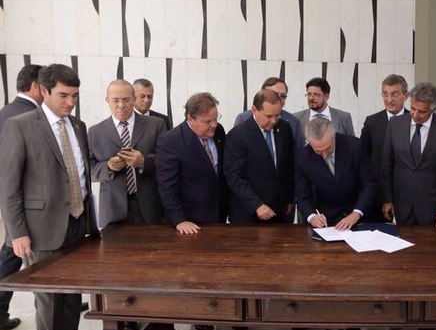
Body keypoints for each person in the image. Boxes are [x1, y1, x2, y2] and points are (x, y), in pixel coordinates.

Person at [0, 63, 99, 330]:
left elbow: (80, 173)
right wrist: (17, 233)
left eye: (75, 95)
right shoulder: (20, 125)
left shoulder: (78, 125)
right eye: (63, 95)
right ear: (43, 91)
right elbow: (9, 185)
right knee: (50, 299)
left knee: (71, 295)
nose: (70, 102)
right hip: (41, 228)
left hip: (78, 222)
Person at [381, 82, 436, 226]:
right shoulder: (395, 125)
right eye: (413, 108)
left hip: (433, 207)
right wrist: (387, 199)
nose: (415, 114)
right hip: (402, 205)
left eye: (422, 111)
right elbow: (387, 164)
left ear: (434, 109)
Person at [0, 64, 43, 330]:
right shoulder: (27, 117)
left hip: (14, 200)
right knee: (16, 254)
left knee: (12, 254)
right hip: (26, 202)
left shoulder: (6, 111)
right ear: (37, 86)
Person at [89, 80, 167, 227]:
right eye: (115, 100)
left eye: (126, 100)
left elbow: (168, 161)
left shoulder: (156, 124)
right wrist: (109, 167)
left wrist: (144, 162)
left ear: (134, 99)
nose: (121, 105)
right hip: (113, 209)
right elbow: (89, 169)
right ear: (107, 100)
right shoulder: (95, 131)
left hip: (150, 206)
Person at [156, 92, 229, 234]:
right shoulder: (171, 141)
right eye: (207, 121)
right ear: (190, 118)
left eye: (216, 118)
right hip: (190, 220)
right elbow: (167, 186)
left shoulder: (218, 131)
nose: (214, 125)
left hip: (219, 213)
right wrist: (179, 220)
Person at [224, 89, 294, 224]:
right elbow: (234, 176)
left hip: (279, 211)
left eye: (277, 115)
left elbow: (289, 166)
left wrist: (289, 198)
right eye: (268, 116)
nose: (273, 121)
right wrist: (256, 205)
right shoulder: (238, 135)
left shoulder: (284, 128)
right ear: (254, 110)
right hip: (249, 213)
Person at [296, 118, 375, 230]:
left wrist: (356, 213)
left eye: (328, 148)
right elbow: (302, 196)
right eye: (318, 151)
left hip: (359, 216)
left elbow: (369, 183)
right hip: (328, 221)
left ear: (334, 137)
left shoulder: (355, 146)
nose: (324, 155)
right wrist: (312, 216)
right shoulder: (303, 158)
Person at [359, 74, 409, 222]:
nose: (389, 99)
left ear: (406, 95)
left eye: (395, 94)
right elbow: (363, 157)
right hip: (377, 194)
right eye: (385, 94)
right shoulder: (372, 122)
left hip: (407, 192)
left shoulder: (413, 119)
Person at [233, 77, 300, 144]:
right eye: (273, 95)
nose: (278, 99)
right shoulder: (243, 118)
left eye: (283, 96)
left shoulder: (293, 122)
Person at [293, 77, 355, 145]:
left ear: (326, 97)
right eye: (309, 94)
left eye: (315, 94)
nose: (311, 98)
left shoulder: (344, 117)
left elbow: (352, 144)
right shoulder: (297, 118)